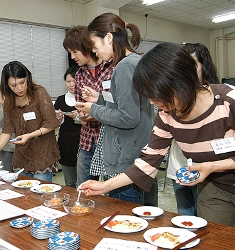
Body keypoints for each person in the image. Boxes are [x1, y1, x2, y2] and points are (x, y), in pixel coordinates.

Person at [80, 42, 235, 226]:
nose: (153, 102)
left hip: (216, 175)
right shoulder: (167, 114)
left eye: (157, 95)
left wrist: (213, 166)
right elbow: (148, 161)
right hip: (215, 188)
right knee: (218, 239)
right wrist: (105, 186)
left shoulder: (228, 101)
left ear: (180, 82)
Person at [76, 13, 155, 205]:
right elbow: (127, 103)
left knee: (125, 219)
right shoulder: (135, 62)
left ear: (109, 38)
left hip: (126, 159)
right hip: (136, 156)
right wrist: (100, 99)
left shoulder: (125, 67)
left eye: (95, 45)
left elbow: (128, 117)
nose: (95, 52)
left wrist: (93, 109)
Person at [167, 42, 220, 216]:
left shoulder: (216, 97)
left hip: (208, 170)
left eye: (192, 65)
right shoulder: (172, 97)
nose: (185, 71)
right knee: (185, 216)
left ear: (204, 67)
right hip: (180, 167)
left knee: (207, 218)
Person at [63, 25, 114, 187]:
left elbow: (118, 110)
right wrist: (85, 115)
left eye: (74, 51)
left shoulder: (113, 69)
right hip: (86, 141)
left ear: (86, 46)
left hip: (109, 142)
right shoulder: (79, 75)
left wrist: (94, 112)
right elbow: (81, 111)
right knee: (83, 189)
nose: (72, 57)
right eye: (69, 53)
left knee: (111, 190)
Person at [0, 61, 60, 182]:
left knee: (40, 195)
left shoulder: (39, 93)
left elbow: (51, 123)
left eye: (22, 82)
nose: (19, 88)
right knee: (24, 197)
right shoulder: (8, 101)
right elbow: (7, 131)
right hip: (22, 157)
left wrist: (30, 135)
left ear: (28, 77)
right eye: (13, 85)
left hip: (42, 155)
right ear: (7, 85)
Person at [54, 66, 81, 188]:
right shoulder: (60, 100)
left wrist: (78, 117)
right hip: (65, 144)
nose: (71, 84)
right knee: (69, 183)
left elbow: (94, 121)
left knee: (84, 183)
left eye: (74, 81)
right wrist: (59, 119)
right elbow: (54, 123)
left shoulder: (86, 99)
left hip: (83, 144)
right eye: (68, 81)